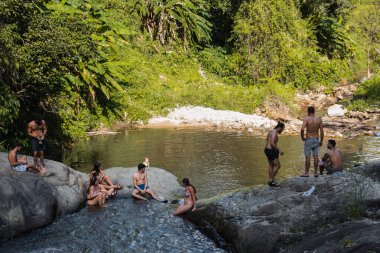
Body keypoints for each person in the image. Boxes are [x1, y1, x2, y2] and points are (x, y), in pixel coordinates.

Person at [300, 106, 324, 177]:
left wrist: (302, 138)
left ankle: (307, 173)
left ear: (308, 112)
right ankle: (316, 173)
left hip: (308, 139)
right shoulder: (319, 119)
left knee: (307, 156)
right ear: (314, 112)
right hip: (316, 139)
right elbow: (322, 131)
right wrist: (321, 141)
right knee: (315, 156)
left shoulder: (306, 119)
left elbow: (302, 129)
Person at [264, 122, 285, 187]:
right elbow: (272, 143)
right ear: (279, 128)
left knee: (271, 165)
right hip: (271, 151)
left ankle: (270, 179)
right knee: (278, 166)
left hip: (267, 149)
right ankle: (271, 180)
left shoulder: (271, 131)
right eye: (282, 129)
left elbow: (267, 139)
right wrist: (279, 150)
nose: (282, 131)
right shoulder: (274, 133)